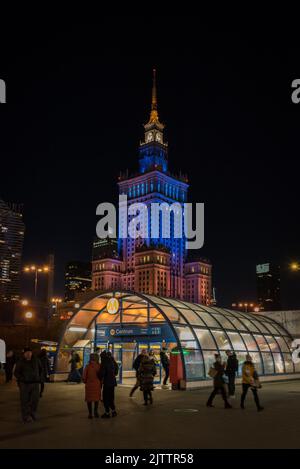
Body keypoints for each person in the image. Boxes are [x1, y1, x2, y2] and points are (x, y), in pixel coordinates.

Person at [14, 348, 42, 423]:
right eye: (26, 353)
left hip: (35, 383)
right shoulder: (20, 362)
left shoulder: (36, 360)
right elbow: (16, 373)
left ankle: (33, 414)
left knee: (35, 400)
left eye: (29, 352)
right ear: (24, 354)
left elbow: (41, 370)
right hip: (24, 385)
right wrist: (22, 379)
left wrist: (40, 378)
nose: (28, 354)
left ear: (32, 353)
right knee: (25, 401)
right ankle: (26, 416)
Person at [99, 351, 118, 418]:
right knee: (111, 397)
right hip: (113, 382)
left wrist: (98, 376)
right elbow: (116, 372)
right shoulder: (112, 361)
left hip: (107, 382)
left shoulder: (104, 362)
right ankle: (113, 411)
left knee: (105, 398)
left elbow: (102, 373)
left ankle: (107, 413)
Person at [83, 353, 101, 419]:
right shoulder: (99, 366)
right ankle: (96, 412)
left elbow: (84, 376)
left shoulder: (87, 366)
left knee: (89, 400)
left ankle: (90, 414)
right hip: (97, 384)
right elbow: (101, 376)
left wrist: (85, 382)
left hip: (89, 385)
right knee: (96, 399)